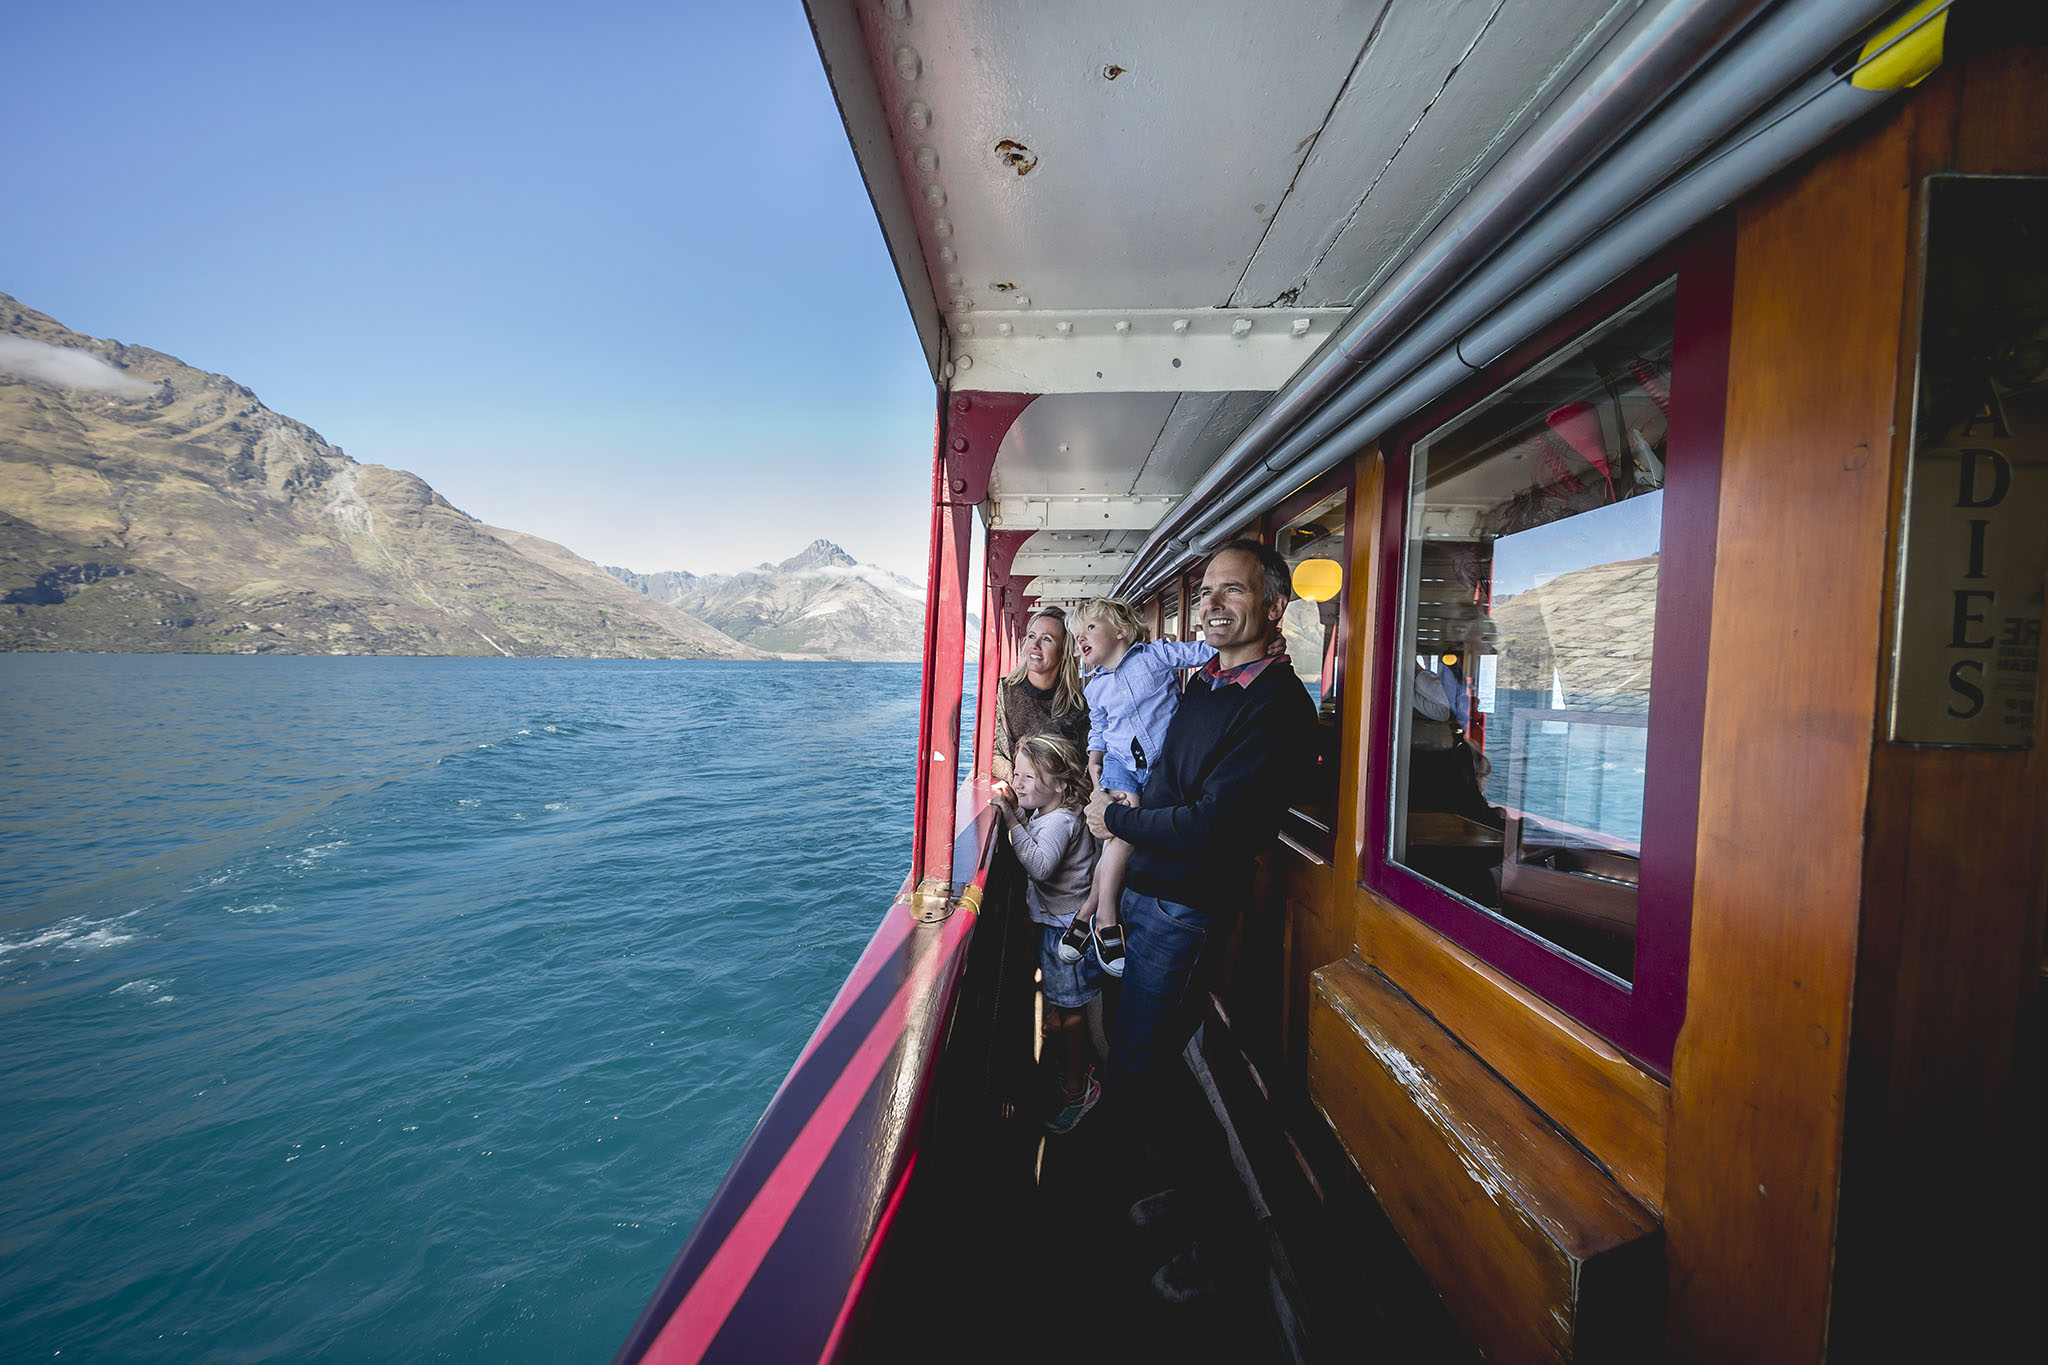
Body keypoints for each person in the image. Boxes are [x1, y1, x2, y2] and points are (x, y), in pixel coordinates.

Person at [1083, 540, 1314, 1291]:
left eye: (1233, 590)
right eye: (1206, 589)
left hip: (1187, 907)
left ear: (1273, 607)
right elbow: (1167, 785)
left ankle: (1225, 1235)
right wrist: (1132, 811)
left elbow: (1214, 826)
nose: (1212, 602)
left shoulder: (1275, 706)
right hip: (1150, 888)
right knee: (1142, 1060)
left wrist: (1119, 822)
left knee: (1140, 1071)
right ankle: (1195, 1192)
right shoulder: (1207, 684)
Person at [1065, 597, 1217, 980]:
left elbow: (1205, 650)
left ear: (1121, 631)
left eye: (1089, 629)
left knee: (1121, 833)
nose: (1081, 639)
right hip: (1119, 763)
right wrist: (1093, 758)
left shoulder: (1155, 656)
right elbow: (1098, 728)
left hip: (1161, 763)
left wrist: (1260, 642)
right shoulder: (1095, 687)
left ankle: (1087, 911)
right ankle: (1106, 919)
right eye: (1076, 635)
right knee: (1122, 829)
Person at [989, 732, 1103, 1133]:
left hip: (1065, 932)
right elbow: (1036, 837)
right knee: (1066, 1004)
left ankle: (1078, 1088)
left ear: (1058, 783)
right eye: (1016, 775)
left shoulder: (1059, 822)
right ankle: (1071, 1051)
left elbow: (1039, 864)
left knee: (1073, 1011)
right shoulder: (1052, 813)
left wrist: (1007, 820)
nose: (1017, 784)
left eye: (1026, 778)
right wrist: (1016, 813)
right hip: (1059, 925)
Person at [991, 606, 1090, 782]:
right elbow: (990, 753)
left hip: (1057, 803)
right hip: (1016, 795)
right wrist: (1018, 783)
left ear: (1063, 652)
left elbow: (1080, 766)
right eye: (1031, 636)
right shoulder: (1001, 692)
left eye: (1047, 639)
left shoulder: (1079, 707)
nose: (1035, 645)